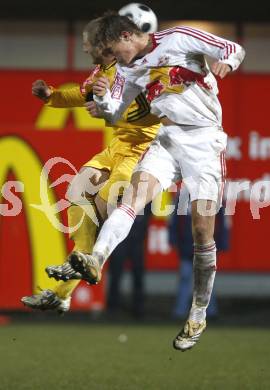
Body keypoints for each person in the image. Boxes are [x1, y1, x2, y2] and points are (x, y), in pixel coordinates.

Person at [48, 13, 245, 351]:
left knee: (202, 231)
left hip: (204, 143)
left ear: (128, 36)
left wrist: (226, 60)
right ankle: (96, 258)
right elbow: (117, 111)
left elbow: (233, 47)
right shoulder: (126, 69)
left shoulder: (179, 38)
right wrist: (101, 102)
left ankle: (198, 312)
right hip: (166, 141)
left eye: (115, 50)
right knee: (133, 198)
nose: (115, 60)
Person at [21, 14, 160, 314]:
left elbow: (149, 112)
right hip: (118, 146)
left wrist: (108, 107)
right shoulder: (103, 70)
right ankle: (66, 288)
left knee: (101, 205)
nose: (84, 49)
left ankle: (67, 285)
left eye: (87, 43)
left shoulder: (135, 69)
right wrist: (51, 96)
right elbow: (80, 93)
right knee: (77, 192)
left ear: (102, 43)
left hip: (141, 150)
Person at [168, 186, 230, 320]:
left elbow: (223, 220)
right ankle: (181, 311)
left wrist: (223, 241)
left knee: (205, 280)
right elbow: (174, 220)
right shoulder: (183, 196)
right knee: (187, 278)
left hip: (205, 245)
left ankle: (209, 312)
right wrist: (173, 239)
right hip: (187, 246)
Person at [107, 203, 152, 318]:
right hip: (120, 240)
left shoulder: (145, 195)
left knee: (138, 275)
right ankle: (113, 307)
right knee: (116, 274)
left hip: (136, 240)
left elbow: (147, 215)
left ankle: (138, 308)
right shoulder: (118, 192)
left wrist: (141, 233)